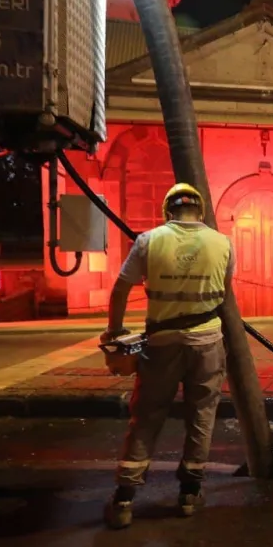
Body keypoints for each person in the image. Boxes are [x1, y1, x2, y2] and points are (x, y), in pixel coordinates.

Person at [101, 183, 235, 529]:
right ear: (200, 211)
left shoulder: (149, 241)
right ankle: (189, 493)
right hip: (207, 342)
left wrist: (114, 332)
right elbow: (224, 292)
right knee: (202, 414)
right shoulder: (223, 243)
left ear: (168, 212)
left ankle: (124, 499)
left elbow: (120, 289)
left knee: (147, 415)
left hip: (161, 344)